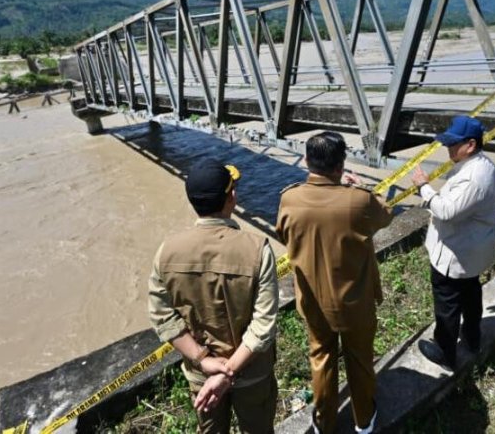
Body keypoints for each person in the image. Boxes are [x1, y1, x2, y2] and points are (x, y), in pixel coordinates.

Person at [148, 159, 279, 433]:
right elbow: (263, 326)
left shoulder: (166, 252)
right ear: (232, 197)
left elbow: (163, 318)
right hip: (252, 375)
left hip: (202, 376)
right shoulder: (258, 250)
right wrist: (229, 372)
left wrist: (205, 360)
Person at [276, 131, 393, 434]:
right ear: (341, 166)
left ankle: (324, 423)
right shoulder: (359, 200)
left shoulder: (289, 198)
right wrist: (363, 187)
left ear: (305, 161)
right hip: (356, 300)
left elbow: (282, 233)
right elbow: (386, 217)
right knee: (360, 359)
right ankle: (364, 421)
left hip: (313, 300)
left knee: (321, 358)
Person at [411, 115, 495, 369]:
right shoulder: (483, 165)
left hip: (455, 253)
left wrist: (423, 187)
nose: (447, 149)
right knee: (471, 295)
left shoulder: (473, 176)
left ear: (470, 145)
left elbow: (447, 211)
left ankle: (445, 351)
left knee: (447, 304)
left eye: (452, 144)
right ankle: (473, 339)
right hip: (469, 250)